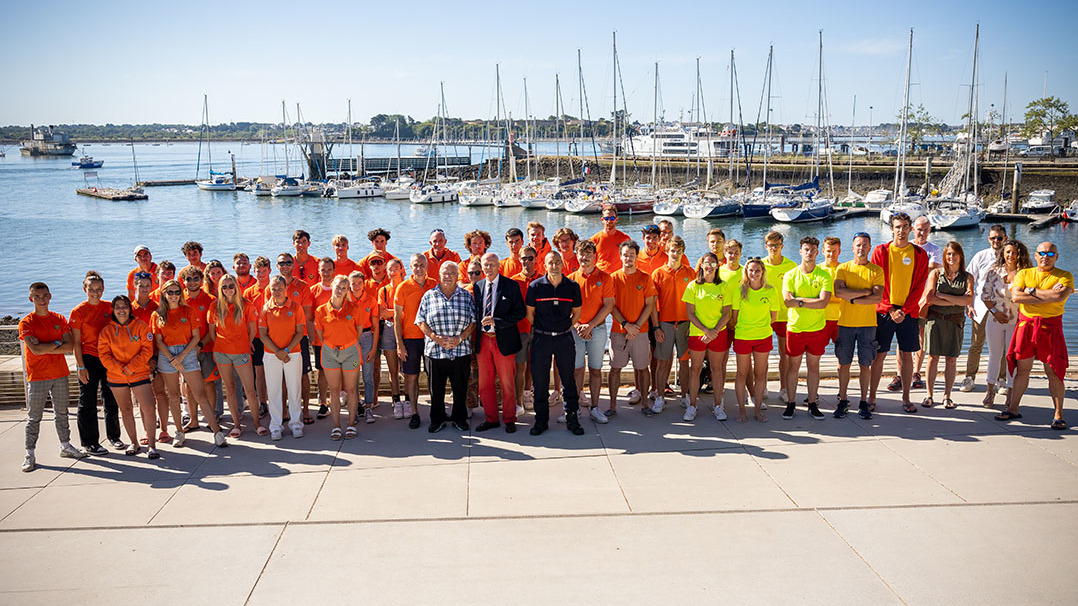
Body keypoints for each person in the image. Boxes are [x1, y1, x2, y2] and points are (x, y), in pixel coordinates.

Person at [1000, 242, 1072, 429]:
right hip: (1026, 326)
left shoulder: (1065, 276)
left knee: (1053, 372)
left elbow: (1059, 297)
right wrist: (1045, 294)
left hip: (1051, 328)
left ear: (1056, 256)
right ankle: (1013, 408)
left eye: (1050, 253)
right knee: (1022, 369)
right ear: (1036, 254)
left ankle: (1058, 414)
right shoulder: (1024, 273)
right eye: (1042, 253)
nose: (1045, 256)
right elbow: (1016, 297)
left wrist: (1029, 291)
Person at [19, 282, 87, 472]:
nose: (41, 300)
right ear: (31, 298)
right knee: (34, 417)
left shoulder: (58, 318)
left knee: (62, 413)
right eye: (37, 297)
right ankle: (29, 453)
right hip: (38, 376)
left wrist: (47, 344)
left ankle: (65, 446)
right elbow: (35, 350)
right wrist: (55, 344)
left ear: (50, 296)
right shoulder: (26, 322)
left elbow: (68, 346)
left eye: (44, 296)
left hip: (60, 374)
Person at [153, 279, 228, 448]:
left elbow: (195, 337)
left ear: (181, 293)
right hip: (167, 355)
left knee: (200, 395)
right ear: (164, 294)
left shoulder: (188, 311)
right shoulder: (157, 314)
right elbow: (158, 340)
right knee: (173, 395)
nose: (173, 295)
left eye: (176, 292)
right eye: (169, 292)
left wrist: (182, 357)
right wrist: (172, 359)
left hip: (187, 352)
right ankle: (179, 432)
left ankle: (217, 432)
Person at [870, 212, 930, 414]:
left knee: (907, 355)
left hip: (908, 313)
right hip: (884, 311)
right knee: (879, 355)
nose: (901, 230)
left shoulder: (920, 254)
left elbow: (920, 286)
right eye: (898, 226)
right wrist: (890, 309)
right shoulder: (881, 251)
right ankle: (871, 397)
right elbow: (877, 284)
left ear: (910, 229)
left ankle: (906, 398)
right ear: (891, 229)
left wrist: (903, 310)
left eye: (905, 226)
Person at [526, 252, 584, 435]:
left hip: (564, 338)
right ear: (545, 265)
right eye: (551, 262)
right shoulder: (535, 287)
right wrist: (540, 328)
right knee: (540, 380)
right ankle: (541, 420)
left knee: (568, 379)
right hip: (542, 339)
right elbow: (530, 314)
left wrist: (566, 326)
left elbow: (577, 313)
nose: (555, 265)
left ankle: (572, 418)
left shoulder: (572, 287)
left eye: (558, 262)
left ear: (562, 264)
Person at [415, 261, 476, 433]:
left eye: (451, 273)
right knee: (436, 389)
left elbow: (473, 321)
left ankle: (459, 418)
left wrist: (460, 338)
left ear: (457, 276)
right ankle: (437, 419)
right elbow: (420, 321)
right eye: (444, 273)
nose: (448, 276)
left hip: (460, 350)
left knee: (460, 387)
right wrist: (435, 338)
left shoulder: (466, 296)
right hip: (435, 351)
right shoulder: (428, 295)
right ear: (439, 275)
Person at [98, 295, 158, 458]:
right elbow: (104, 355)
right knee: (125, 410)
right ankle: (134, 442)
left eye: (124, 306)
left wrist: (131, 368)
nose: (121, 310)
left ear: (130, 308)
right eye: (117, 307)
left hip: (138, 373)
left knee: (149, 408)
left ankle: (152, 445)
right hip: (117, 376)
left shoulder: (140, 326)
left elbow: (147, 349)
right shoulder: (107, 331)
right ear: (113, 310)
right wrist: (120, 369)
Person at [832, 232, 884, 419]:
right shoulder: (843, 269)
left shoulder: (876, 271)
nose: (861, 248)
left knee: (865, 365)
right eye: (858, 245)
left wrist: (851, 297)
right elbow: (839, 291)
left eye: (864, 245)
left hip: (868, 325)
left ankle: (863, 402)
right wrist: (863, 292)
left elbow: (877, 297)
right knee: (843, 364)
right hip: (845, 323)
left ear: (869, 248)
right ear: (852, 247)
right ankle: (843, 400)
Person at [472, 252, 526, 432]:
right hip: (483, 341)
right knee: (484, 384)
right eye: (485, 265)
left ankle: (510, 419)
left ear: (498, 266)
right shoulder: (478, 286)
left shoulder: (510, 286)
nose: (488, 268)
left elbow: (520, 312)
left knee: (507, 382)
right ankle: (491, 418)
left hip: (503, 340)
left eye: (492, 264)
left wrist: (498, 321)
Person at [781, 237, 833, 421]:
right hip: (795, 329)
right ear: (800, 251)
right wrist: (810, 301)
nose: (809, 252)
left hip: (817, 329)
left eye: (812, 249)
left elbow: (824, 303)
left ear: (817, 252)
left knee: (813, 367)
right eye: (806, 249)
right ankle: (791, 404)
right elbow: (788, 302)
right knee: (793, 367)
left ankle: (812, 404)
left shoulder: (824, 275)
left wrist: (799, 301)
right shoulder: (790, 275)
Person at [71, 271, 123, 454]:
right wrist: (80, 366)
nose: (95, 292)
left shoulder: (110, 307)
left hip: (109, 358)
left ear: (103, 289)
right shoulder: (78, 312)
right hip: (89, 359)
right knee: (88, 402)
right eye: (91, 289)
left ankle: (114, 437)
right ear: (84, 289)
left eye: (99, 289)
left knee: (111, 399)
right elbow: (76, 342)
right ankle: (89, 442)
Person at [921, 242, 974, 410]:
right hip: (935, 320)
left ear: (961, 256)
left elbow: (968, 300)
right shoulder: (936, 274)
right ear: (944, 256)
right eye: (948, 254)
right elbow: (930, 298)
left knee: (951, 360)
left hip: (955, 321)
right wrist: (956, 299)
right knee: (932, 358)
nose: (951, 257)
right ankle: (929, 395)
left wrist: (942, 295)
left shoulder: (967, 277)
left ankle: (947, 396)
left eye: (955, 254)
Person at [209, 274, 261, 437]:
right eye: (224, 287)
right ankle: (237, 425)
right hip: (222, 353)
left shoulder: (247, 305)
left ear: (236, 287)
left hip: (242, 352)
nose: (228, 289)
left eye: (231, 286)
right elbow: (212, 332)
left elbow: (252, 330)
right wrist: (222, 345)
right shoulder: (215, 306)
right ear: (220, 289)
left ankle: (257, 423)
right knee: (230, 389)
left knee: (250, 390)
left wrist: (245, 343)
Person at [682, 253, 733, 421]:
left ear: (717, 266)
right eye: (706, 263)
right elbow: (690, 314)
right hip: (698, 334)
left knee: (717, 370)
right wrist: (706, 331)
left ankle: (718, 405)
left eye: (713, 263)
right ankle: (692, 406)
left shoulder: (723, 286)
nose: (709, 266)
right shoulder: (693, 286)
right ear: (702, 265)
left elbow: (726, 314)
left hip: (718, 333)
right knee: (695, 370)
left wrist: (714, 332)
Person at [980, 239, 1030, 408]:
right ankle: (989, 392)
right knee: (994, 356)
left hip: (1016, 322)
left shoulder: (1025, 273)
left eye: (1014, 252)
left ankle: (1010, 394)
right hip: (995, 320)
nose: (1011, 255)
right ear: (1003, 253)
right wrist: (995, 312)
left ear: (1019, 254)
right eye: (1008, 252)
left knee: (1012, 359)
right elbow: (985, 297)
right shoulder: (994, 272)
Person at [568, 240, 614, 423]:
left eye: (588, 254)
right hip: (576, 331)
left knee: (596, 370)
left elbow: (608, 306)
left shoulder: (605, 278)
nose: (584, 257)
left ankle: (595, 408)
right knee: (577, 371)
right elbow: (568, 307)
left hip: (598, 330)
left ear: (595, 256)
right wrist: (578, 324)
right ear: (577, 255)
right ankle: (575, 409)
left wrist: (590, 326)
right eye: (581, 253)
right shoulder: (570, 279)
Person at [609, 240, 657, 416]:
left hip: (641, 332)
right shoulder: (612, 278)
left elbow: (650, 305)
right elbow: (611, 305)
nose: (628, 258)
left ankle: (645, 404)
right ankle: (612, 406)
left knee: (643, 368)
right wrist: (625, 325)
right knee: (615, 368)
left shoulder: (645, 278)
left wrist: (636, 326)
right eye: (625, 254)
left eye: (632, 254)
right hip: (618, 331)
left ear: (636, 256)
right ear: (620, 256)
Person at [314, 275, 363, 439]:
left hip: (350, 352)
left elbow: (359, 331)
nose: (340, 290)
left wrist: (345, 343)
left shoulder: (354, 308)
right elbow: (320, 334)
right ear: (332, 287)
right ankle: (336, 426)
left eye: (344, 288)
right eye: (337, 286)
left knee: (350, 389)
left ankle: (350, 425)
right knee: (334, 390)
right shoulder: (321, 310)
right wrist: (333, 344)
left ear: (347, 290)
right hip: (330, 353)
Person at [270, 252, 316, 425]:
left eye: (288, 263)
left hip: (299, 337)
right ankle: (283, 410)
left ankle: (304, 410)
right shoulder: (273, 286)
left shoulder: (302, 286)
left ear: (293, 265)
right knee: (280, 376)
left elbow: (306, 314)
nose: (285, 266)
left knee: (303, 375)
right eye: (281, 263)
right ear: (277, 266)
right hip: (278, 338)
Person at [961, 225, 1008, 393]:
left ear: (1005, 239)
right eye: (993, 238)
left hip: (1004, 308)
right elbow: (969, 280)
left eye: (999, 238)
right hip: (981, 308)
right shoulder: (980, 256)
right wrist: (969, 304)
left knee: (1003, 346)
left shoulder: (1009, 258)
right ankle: (969, 377)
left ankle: (1002, 379)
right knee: (976, 344)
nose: (996, 241)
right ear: (988, 239)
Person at [731, 258, 779, 423]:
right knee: (741, 374)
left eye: (757, 270)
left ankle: (758, 409)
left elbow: (773, 317)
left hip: (763, 337)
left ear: (763, 272)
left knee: (760, 375)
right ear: (746, 272)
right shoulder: (739, 291)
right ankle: (742, 410)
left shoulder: (770, 291)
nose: (754, 273)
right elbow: (734, 317)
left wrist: (760, 326)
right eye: (751, 270)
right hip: (743, 336)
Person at [259, 275, 307, 440]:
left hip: (292, 354)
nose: (277, 292)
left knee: (294, 389)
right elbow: (263, 334)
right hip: (272, 355)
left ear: (286, 289)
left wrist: (286, 350)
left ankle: (295, 424)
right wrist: (278, 352)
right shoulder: (266, 308)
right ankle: (276, 426)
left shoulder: (295, 307)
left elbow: (300, 332)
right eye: (274, 289)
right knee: (273, 391)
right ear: (270, 290)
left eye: (280, 288)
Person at [651, 236, 695, 413]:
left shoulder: (690, 273)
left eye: (678, 251)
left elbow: (696, 302)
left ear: (682, 252)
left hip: (685, 323)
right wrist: (656, 327)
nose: (675, 254)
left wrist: (694, 325)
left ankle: (684, 396)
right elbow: (653, 305)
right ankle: (659, 397)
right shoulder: (658, 274)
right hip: (665, 324)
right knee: (662, 362)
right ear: (667, 252)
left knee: (684, 363)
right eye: (672, 251)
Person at [395, 254, 438, 429]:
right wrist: (400, 343)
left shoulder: (434, 284)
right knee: (411, 377)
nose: (419, 268)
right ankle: (414, 412)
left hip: (431, 338)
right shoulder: (403, 287)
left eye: (422, 265)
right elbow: (397, 318)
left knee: (434, 377)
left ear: (427, 266)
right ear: (410, 267)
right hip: (411, 339)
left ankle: (437, 411)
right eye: (415, 265)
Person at [132, 271, 172, 443]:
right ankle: (148, 431)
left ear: (152, 286)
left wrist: (155, 358)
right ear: (135, 286)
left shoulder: (158, 308)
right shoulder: (129, 309)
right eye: (141, 285)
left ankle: (164, 429)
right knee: (143, 399)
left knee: (161, 394)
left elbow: (163, 335)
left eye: (147, 286)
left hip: (158, 357)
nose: (144, 288)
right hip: (138, 360)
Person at [903, 216, 943, 390]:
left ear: (930, 231)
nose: (922, 233)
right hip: (904, 299)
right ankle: (900, 373)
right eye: (919, 229)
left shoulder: (934, 250)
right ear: (913, 229)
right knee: (902, 337)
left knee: (921, 336)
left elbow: (932, 269)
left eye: (926, 230)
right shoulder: (906, 248)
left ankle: (916, 372)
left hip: (924, 300)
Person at [178, 265, 219, 426]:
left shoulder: (211, 300)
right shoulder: (178, 299)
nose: (193, 282)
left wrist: (200, 345)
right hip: (186, 350)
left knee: (209, 383)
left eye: (196, 278)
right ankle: (193, 419)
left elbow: (213, 329)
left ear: (202, 280)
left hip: (206, 348)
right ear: (183, 281)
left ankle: (212, 417)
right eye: (189, 279)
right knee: (189, 386)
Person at [762, 231, 797, 404]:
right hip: (764, 316)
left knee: (785, 354)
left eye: (777, 245)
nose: (773, 249)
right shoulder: (759, 265)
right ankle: (763, 387)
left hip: (785, 316)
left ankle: (784, 388)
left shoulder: (791, 266)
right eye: (770, 245)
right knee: (763, 354)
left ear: (782, 246)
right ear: (766, 246)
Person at [347, 270, 380, 423]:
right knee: (352, 376)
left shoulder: (371, 300)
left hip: (367, 337)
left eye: (359, 283)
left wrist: (374, 348)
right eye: (353, 283)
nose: (356, 286)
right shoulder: (346, 300)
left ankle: (368, 406)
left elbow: (375, 326)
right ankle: (356, 406)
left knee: (368, 374)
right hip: (351, 338)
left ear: (363, 283)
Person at [511, 245, 541, 413]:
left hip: (538, 330)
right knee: (520, 366)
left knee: (535, 364)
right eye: (524, 258)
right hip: (520, 330)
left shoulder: (543, 279)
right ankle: (518, 402)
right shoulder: (514, 281)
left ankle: (531, 394)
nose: (527, 262)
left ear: (536, 259)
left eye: (530, 258)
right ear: (519, 259)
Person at [377, 257, 406, 416]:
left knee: (407, 369)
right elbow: (382, 312)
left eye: (396, 268)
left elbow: (412, 311)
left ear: (402, 269)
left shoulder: (408, 287)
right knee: (392, 368)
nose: (393, 271)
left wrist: (393, 312)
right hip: (389, 329)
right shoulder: (384, 290)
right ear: (387, 272)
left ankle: (408, 400)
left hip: (406, 329)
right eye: (390, 269)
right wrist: (400, 313)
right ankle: (396, 399)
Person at [310, 257, 336, 417]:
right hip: (321, 340)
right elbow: (310, 317)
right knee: (321, 371)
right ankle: (323, 402)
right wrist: (313, 339)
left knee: (341, 370)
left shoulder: (340, 288)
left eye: (329, 270)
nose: (326, 273)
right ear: (319, 272)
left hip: (340, 339)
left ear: (334, 271)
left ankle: (341, 399)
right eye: (323, 270)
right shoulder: (313, 290)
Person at [589, 204, 631, 273]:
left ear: (616, 219)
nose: (609, 221)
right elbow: (591, 261)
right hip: (600, 277)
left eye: (612, 218)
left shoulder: (625, 238)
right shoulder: (594, 239)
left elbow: (630, 259)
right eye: (606, 218)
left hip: (618, 277)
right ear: (602, 220)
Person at [821, 237, 843, 344]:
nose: (831, 254)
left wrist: (825, 299)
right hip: (821, 319)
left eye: (834, 251)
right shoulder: (817, 271)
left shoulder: (845, 270)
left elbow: (848, 297)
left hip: (841, 319)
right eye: (828, 251)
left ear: (839, 251)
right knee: (816, 353)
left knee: (842, 353)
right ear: (823, 251)